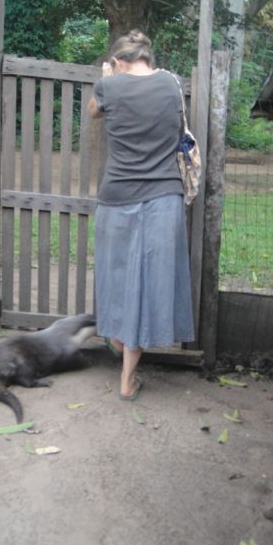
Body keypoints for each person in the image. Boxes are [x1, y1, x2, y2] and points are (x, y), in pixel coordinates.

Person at [88, 29, 194, 401]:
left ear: (118, 61)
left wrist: (106, 77)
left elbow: (93, 113)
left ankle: (120, 346)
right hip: (164, 198)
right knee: (148, 286)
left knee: (119, 282)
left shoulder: (109, 86)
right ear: (148, 58)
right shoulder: (171, 84)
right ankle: (127, 376)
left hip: (117, 198)